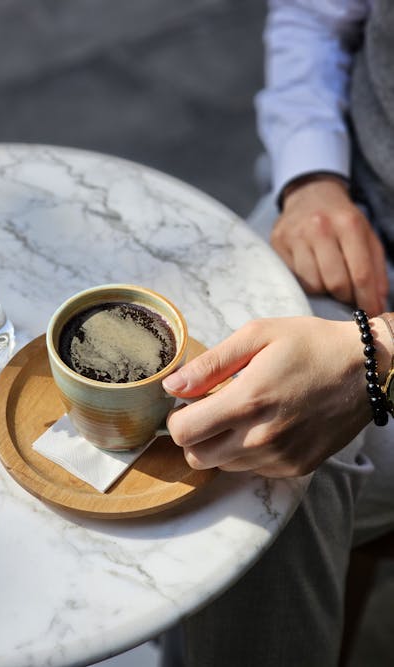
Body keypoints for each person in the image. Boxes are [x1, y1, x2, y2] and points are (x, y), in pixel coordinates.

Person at [160, 1, 394, 665]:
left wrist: (380, 355)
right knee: (200, 377)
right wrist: (313, 179)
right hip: (351, 216)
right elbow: (315, 17)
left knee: (266, 479)